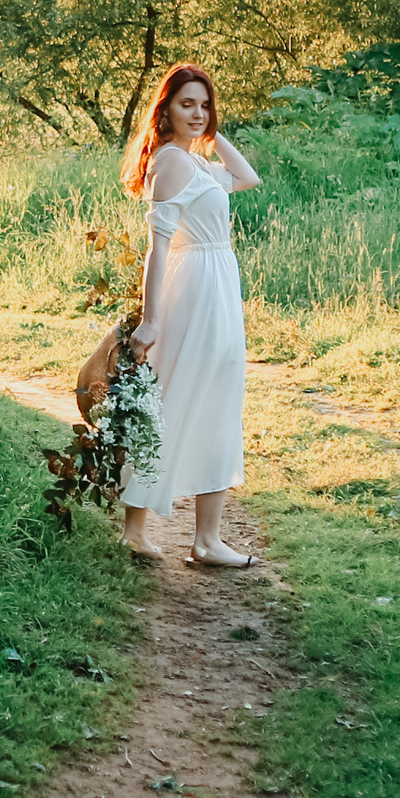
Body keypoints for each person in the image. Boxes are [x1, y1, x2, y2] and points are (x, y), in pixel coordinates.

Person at [117, 63, 260, 566]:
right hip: (194, 287)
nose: (197, 114)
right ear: (166, 108)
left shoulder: (196, 162)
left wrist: (215, 134)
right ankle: (141, 530)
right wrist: (151, 320)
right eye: (186, 104)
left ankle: (206, 540)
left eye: (204, 105)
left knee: (217, 400)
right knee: (174, 398)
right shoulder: (173, 162)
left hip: (217, 284)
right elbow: (157, 246)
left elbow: (248, 177)